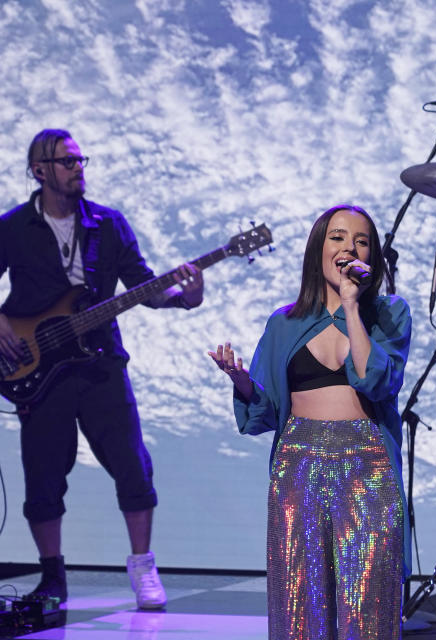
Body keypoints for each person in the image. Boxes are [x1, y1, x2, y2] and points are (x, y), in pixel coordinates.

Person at [0, 129, 204, 608]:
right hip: (36, 368)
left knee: (133, 465)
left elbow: (144, 286)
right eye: (67, 161)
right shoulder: (11, 228)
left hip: (100, 363)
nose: (78, 167)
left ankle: (142, 566)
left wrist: (183, 298)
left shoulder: (108, 225)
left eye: (80, 159)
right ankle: (52, 576)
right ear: (40, 171)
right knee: (43, 474)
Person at [209, 204, 411, 640]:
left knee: (369, 610)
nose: (348, 247)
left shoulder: (390, 313)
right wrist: (242, 382)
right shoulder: (284, 323)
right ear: (318, 249)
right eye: (338, 237)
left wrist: (353, 307)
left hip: (367, 465)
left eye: (361, 241)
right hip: (297, 465)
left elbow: (376, 381)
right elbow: (262, 414)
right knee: (299, 610)